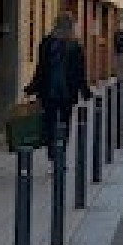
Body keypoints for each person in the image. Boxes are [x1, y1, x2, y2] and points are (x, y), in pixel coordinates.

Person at [24, 12, 90, 157]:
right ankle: (58, 152)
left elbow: (41, 68)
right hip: (59, 90)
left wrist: (32, 87)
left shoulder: (57, 44)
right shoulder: (66, 45)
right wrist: (85, 91)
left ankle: (55, 152)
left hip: (56, 90)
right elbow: (79, 72)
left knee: (53, 121)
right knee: (60, 122)